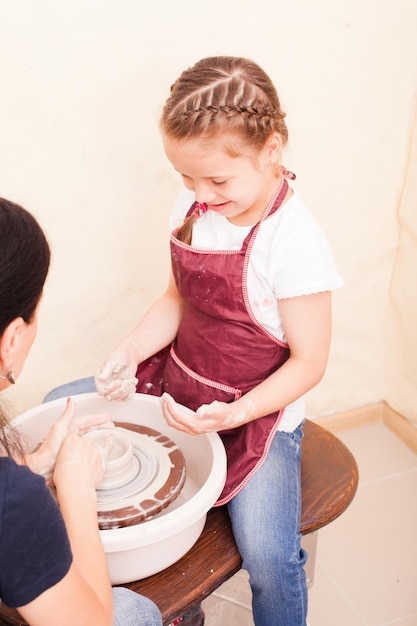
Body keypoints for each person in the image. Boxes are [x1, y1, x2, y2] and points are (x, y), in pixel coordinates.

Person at [46, 56, 343, 626]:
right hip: (180, 384)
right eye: (185, 177)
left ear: (272, 148)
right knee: (60, 400)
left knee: (268, 554)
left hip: (259, 417)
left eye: (217, 180)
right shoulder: (195, 206)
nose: (200, 193)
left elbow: (310, 362)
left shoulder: (295, 243)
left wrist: (235, 414)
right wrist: (129, 351)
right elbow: (175, 300)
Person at [0, 198, 162, 626]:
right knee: (137, 612)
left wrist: (31, 467)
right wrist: (76, 492)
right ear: (11, 338)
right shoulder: (10, 502)